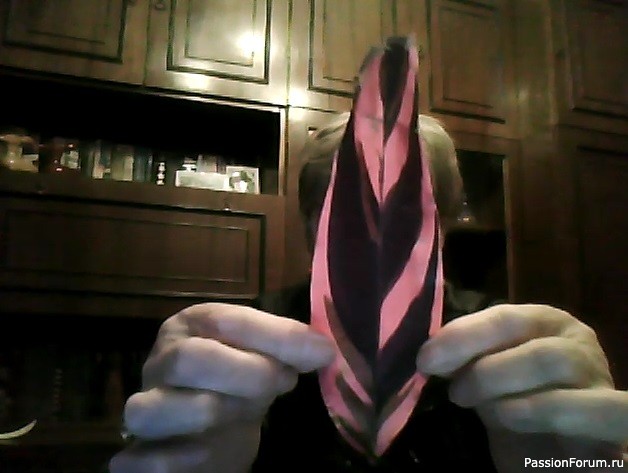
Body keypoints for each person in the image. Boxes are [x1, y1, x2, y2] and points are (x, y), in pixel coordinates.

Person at [110, 113, 628, 473]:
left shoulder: (510, 352)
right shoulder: (240, 350)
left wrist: (573, 462)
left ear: (443, 232)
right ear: (311, 232)